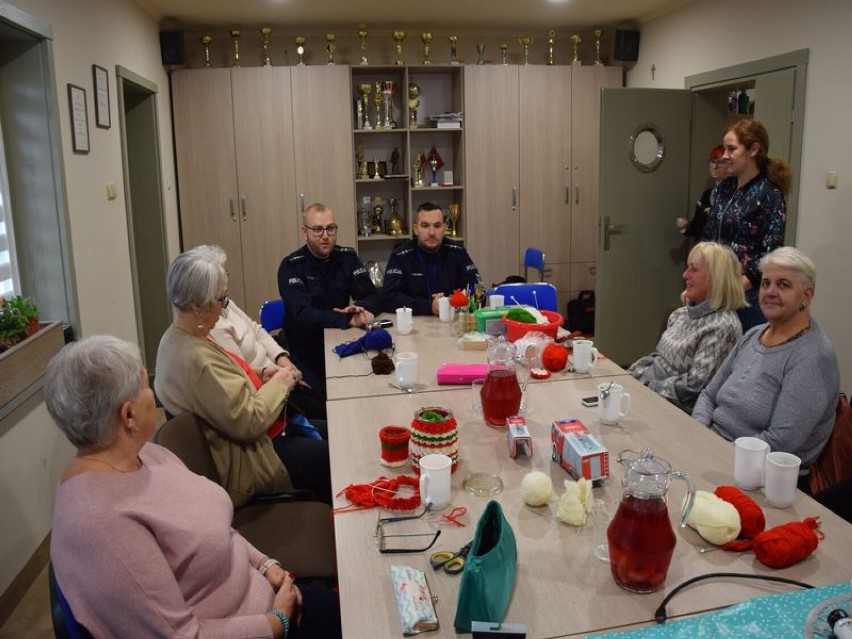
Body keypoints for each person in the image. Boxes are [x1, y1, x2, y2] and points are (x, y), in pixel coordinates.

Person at [48, 335, 341, 638]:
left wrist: (264, 564)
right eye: (145, 386)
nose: (154, 394)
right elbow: (182, 635)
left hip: (259, 595)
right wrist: (277, 622)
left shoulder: (144, 454)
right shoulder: (102, 525)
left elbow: (212, 525)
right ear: (129, 415)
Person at [155, 248, 332, 505]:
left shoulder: (182, 337)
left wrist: (261, 373)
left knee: (338, 432)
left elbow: (226, 387)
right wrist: (281, 383)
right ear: (197, 305)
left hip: (265, 435)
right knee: (341, 454)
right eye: (220, 301)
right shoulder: (196, 358)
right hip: (255, 456)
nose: (224, 308)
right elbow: (249, 420)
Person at [692, 247, 839, 491]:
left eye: (783, 285)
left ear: (807, 296)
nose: (770, 292)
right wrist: (698, 434)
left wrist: (715, 453)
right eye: (766, 284)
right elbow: (708, 395)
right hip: (713, 450)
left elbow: (781, 442)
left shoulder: (813, 356)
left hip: (762, 479)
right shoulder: (754, 334)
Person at [190, 244, 325, 420]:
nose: (227, 281)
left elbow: (257, 330)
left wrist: (282, 358)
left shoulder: (225, 303)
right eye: (222, 275)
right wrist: (280, 375)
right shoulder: (213, 325)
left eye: (226, 273)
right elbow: (243, 375)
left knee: (323, 398)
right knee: (325, 414)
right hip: (268, 391)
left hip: (277, 374)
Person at [277, 203, 382, 397]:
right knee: (328, 400)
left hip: (343, 342)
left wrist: (360, 309)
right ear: (304, 232)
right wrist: (346, 319)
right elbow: (302, 314)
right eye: (317, 229)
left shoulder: (347, 258)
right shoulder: (291, 266)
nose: (325, 235)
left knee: (374, 386)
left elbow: (372, 296)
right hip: (306, 351)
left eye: (330, 228)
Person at [629, 242, 745, 413]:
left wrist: (646, 386)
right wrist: (630, 376)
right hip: (650, 394)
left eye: (694, 269)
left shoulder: (723, 326)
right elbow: (658, 358)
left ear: (716, 278)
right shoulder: (681, 314)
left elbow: (694, 389)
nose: (685, 275)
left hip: (672, 410)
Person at [701, 119, 791, 332]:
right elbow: (708, 235)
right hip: (715, 289)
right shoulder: (725, 187)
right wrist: (698, 277)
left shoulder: (770, 194)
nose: (724, 155)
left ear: (754, 150)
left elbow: (770, 254)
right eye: (725, 148)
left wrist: (733, 288)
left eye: (731, 149)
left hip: (746, 298)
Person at [383, 201, 481, 316]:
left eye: (437, 226)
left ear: (444, 228)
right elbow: (389, 298)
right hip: (414, 322)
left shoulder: (458, 253)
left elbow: (479, 294)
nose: (432, 232)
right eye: (425, 226)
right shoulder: (400, 256)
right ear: (415, 229)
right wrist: (429, 306)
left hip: (451, 321)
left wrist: (452, 301)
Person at [675, 144, 726, 238]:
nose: (715, 166)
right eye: (712, 162)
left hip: (722, 250)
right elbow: (697, 227)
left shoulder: (734, 194)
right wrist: (686, 226)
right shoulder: (707, 194)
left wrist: (715, 214)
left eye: (719, 162)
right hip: (704, 249)